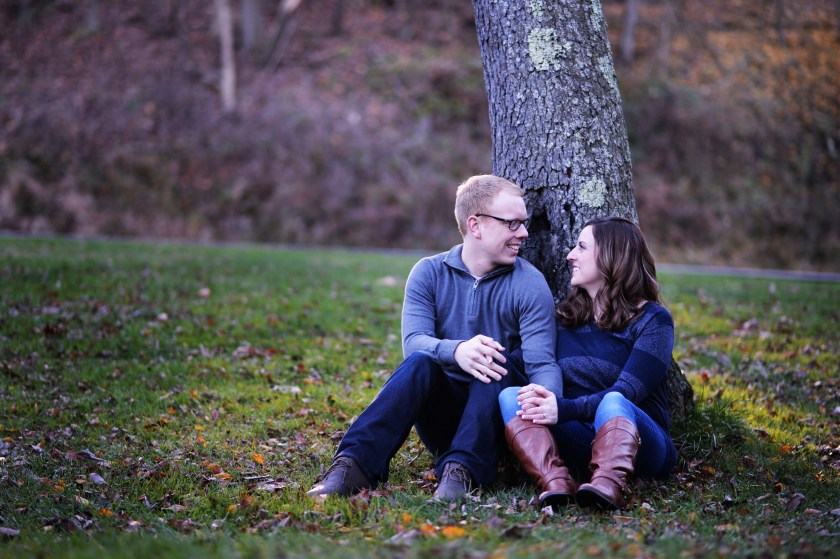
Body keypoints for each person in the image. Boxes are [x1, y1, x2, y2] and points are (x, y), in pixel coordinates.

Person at [307, 174, 563, 501]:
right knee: (419, 363)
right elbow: (413, 341)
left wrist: (551, 399)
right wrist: (457, 351)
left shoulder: (528, 283)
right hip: (443, 417)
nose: (524, 233)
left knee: (494, 363)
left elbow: (542, 363)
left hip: (495, 422)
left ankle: (461, 473)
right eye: (512, 224)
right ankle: (352, 466)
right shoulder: (429, 272)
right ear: (475, 225)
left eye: (523, 223)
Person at [499, 216, 677, 510]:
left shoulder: (653, 320)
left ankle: (608, 485)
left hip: (641, 444)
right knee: (511, 396)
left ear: (612, 257)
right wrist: (474, 353)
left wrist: (563, 409)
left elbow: (628, 391)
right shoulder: (564, 318)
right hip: (580, 437)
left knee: (614, 402)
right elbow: (523, 362)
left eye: (581, 247)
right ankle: (555, 482)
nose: (570, 255)